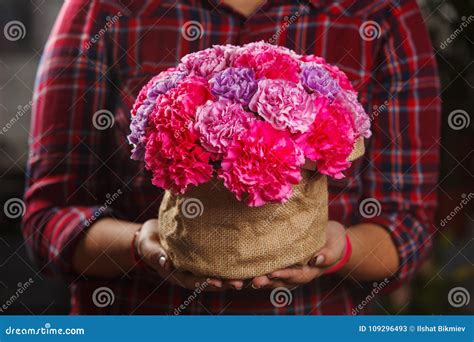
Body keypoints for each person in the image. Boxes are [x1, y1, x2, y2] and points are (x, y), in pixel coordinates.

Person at [23, 0, 441, 314]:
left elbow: (408, 227)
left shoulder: (380, 12)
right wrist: (141, 244)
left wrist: (338, 250)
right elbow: (47, 219)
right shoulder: (105, 8)